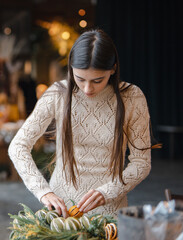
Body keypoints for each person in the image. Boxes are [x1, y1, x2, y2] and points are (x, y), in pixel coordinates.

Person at [8, 29, 153, 218]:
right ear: (71, 69)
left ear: (113, 69)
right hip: (61, 211)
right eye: (80, 78)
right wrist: (43, 191)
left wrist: (108, 192)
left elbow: (142, 163)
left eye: (97, 80)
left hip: (109, 213)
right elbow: (18, 146)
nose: (87, 88)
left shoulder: (132, 97)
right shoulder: (58, 93)